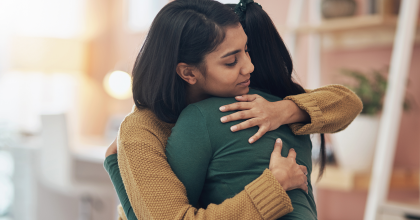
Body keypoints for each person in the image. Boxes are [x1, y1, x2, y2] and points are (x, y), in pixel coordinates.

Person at [103, 0, 362, 219]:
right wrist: (274, 185)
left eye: (246, 50)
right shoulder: (143, 130)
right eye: (231, 61)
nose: (249, 66)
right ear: (188, 72)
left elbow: (347, 102)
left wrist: (282, 110)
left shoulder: (250, 102)